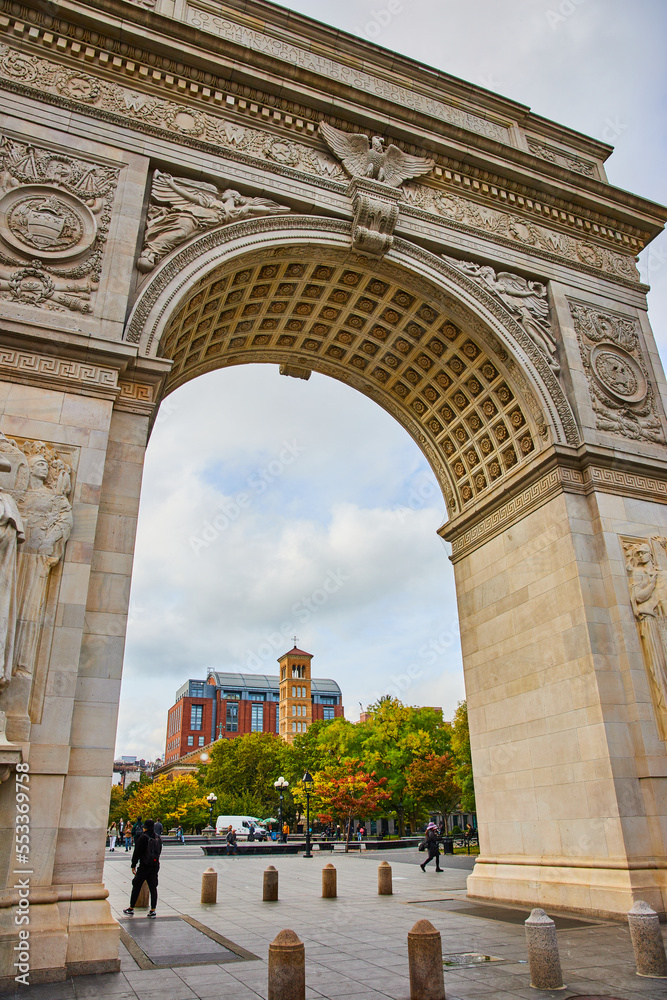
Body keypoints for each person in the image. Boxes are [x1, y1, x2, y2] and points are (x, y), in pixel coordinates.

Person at [123, 819, 162, 918]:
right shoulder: (158, 838)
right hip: (154, 865)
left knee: (136, 885)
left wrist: (133, 865)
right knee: (153, 887)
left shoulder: (143, 838)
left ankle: (131, 908)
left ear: (145, 827)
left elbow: (137, 853)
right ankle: (153, 910)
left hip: (144, 866)